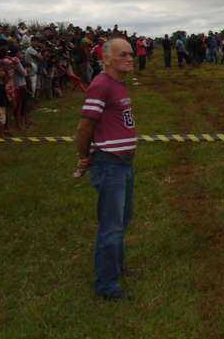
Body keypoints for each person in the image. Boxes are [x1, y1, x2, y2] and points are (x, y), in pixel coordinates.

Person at [73, 38, 138, 301]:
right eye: (123, 54)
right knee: (111, 226)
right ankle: (107, 285)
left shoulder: (118, 85)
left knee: (121, 221)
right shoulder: (101, 85)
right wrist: (83, 156)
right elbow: (85, 126)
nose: (130, 58)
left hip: (123, 164)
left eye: (131, 54)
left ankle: (117, 268)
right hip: (110, 165)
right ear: (107, 58)